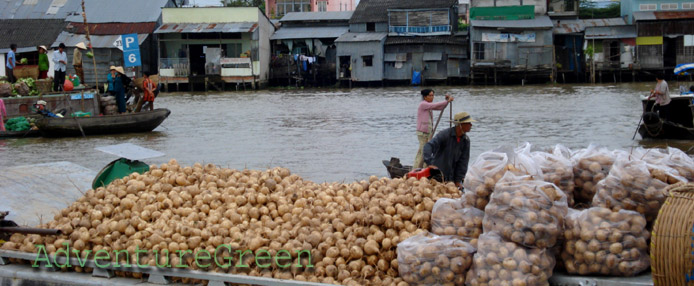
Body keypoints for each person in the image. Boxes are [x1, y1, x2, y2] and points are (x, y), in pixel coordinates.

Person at [423, 111, 475, 189]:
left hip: (451, 178)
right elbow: (428, 146)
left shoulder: (465, 141)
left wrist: (458, 180)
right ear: (460, 125)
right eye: (468, 123)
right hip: (438, 175)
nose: (471, 125)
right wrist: (429, 162)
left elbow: (463, 162)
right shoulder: (445, 135)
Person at [414, 89, 453, 169]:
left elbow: (440, 107)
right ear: (425, 97)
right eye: (430, 95)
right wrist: (447, 101)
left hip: (428, 132)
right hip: (423, 132)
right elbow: (434, 105)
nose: (432, 97)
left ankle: (422, 167)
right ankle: (417, 169)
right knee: (423, 151)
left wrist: (446, 101)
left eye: (433, 95)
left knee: (425, 150)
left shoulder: (428, 105)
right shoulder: (423, 104)